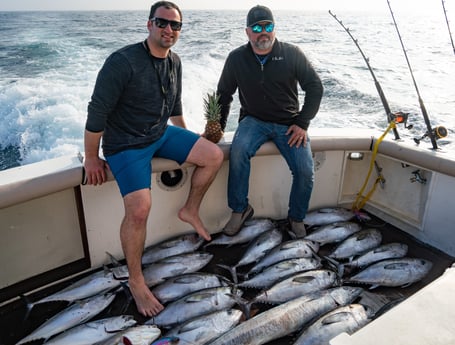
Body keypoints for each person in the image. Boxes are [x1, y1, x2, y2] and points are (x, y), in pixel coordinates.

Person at [83, 1, 224, 317]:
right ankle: (135, 280)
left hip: (160, 134)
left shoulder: (175, 62)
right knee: (139, 208)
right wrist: (92, 156)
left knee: (213, 155)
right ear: (149, 24)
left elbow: (174, 109)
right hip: (126, 144)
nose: (169, 30)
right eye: (163, 23)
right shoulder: (122, 62)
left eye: (176, 25)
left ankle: (190, 209)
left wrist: (189, 141)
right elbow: (97, 112)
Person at [216, 5, 323, 238]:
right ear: (247, 32)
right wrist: (217, 128)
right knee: (239, 150)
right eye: (256, 27)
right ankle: (240, 209)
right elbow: (223, 95)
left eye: (268, 26)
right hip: (253, 120)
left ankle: (296, 217)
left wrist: (303, 123)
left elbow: (315, 87)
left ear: (274, 29)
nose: (262, 32)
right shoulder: (236, 59)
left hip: (289, 123)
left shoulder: (292, 53)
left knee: (305, 170)